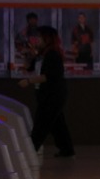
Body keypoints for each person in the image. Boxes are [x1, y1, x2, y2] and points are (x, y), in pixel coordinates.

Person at [18, 26, 75, 158]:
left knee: (41, 124)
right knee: (57, 124)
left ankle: (30, 152)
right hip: (45, 94)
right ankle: (67, 150)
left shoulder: (53, 54)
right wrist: (28, 55)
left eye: (39, 37)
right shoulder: (41, 55)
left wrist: (28, 81)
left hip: (53, 95)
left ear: (47, 38)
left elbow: (48, 76)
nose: (37, 39)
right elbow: (28, 67)